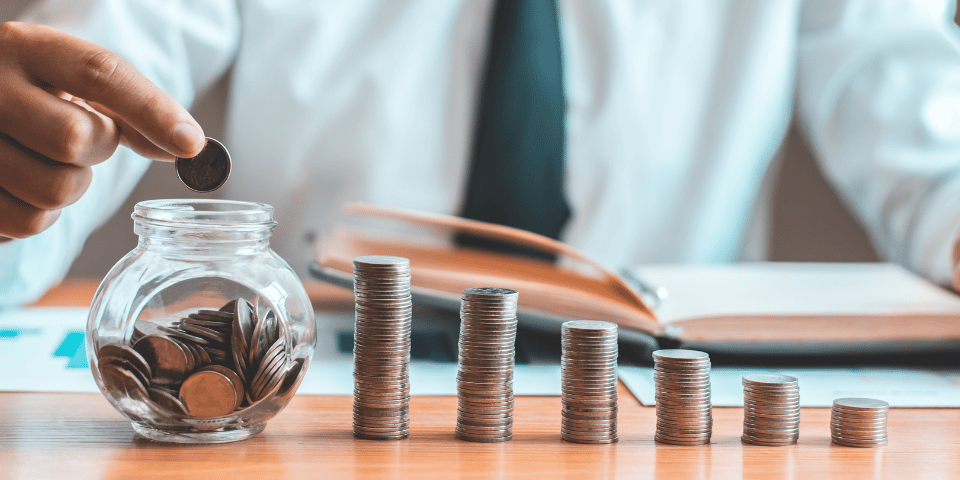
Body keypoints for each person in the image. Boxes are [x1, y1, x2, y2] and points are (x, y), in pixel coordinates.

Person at [1, 0, 960, 308]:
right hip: (313, 394)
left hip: (662, 419)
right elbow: (96, 69)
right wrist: (20, 171)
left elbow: (929, 139)